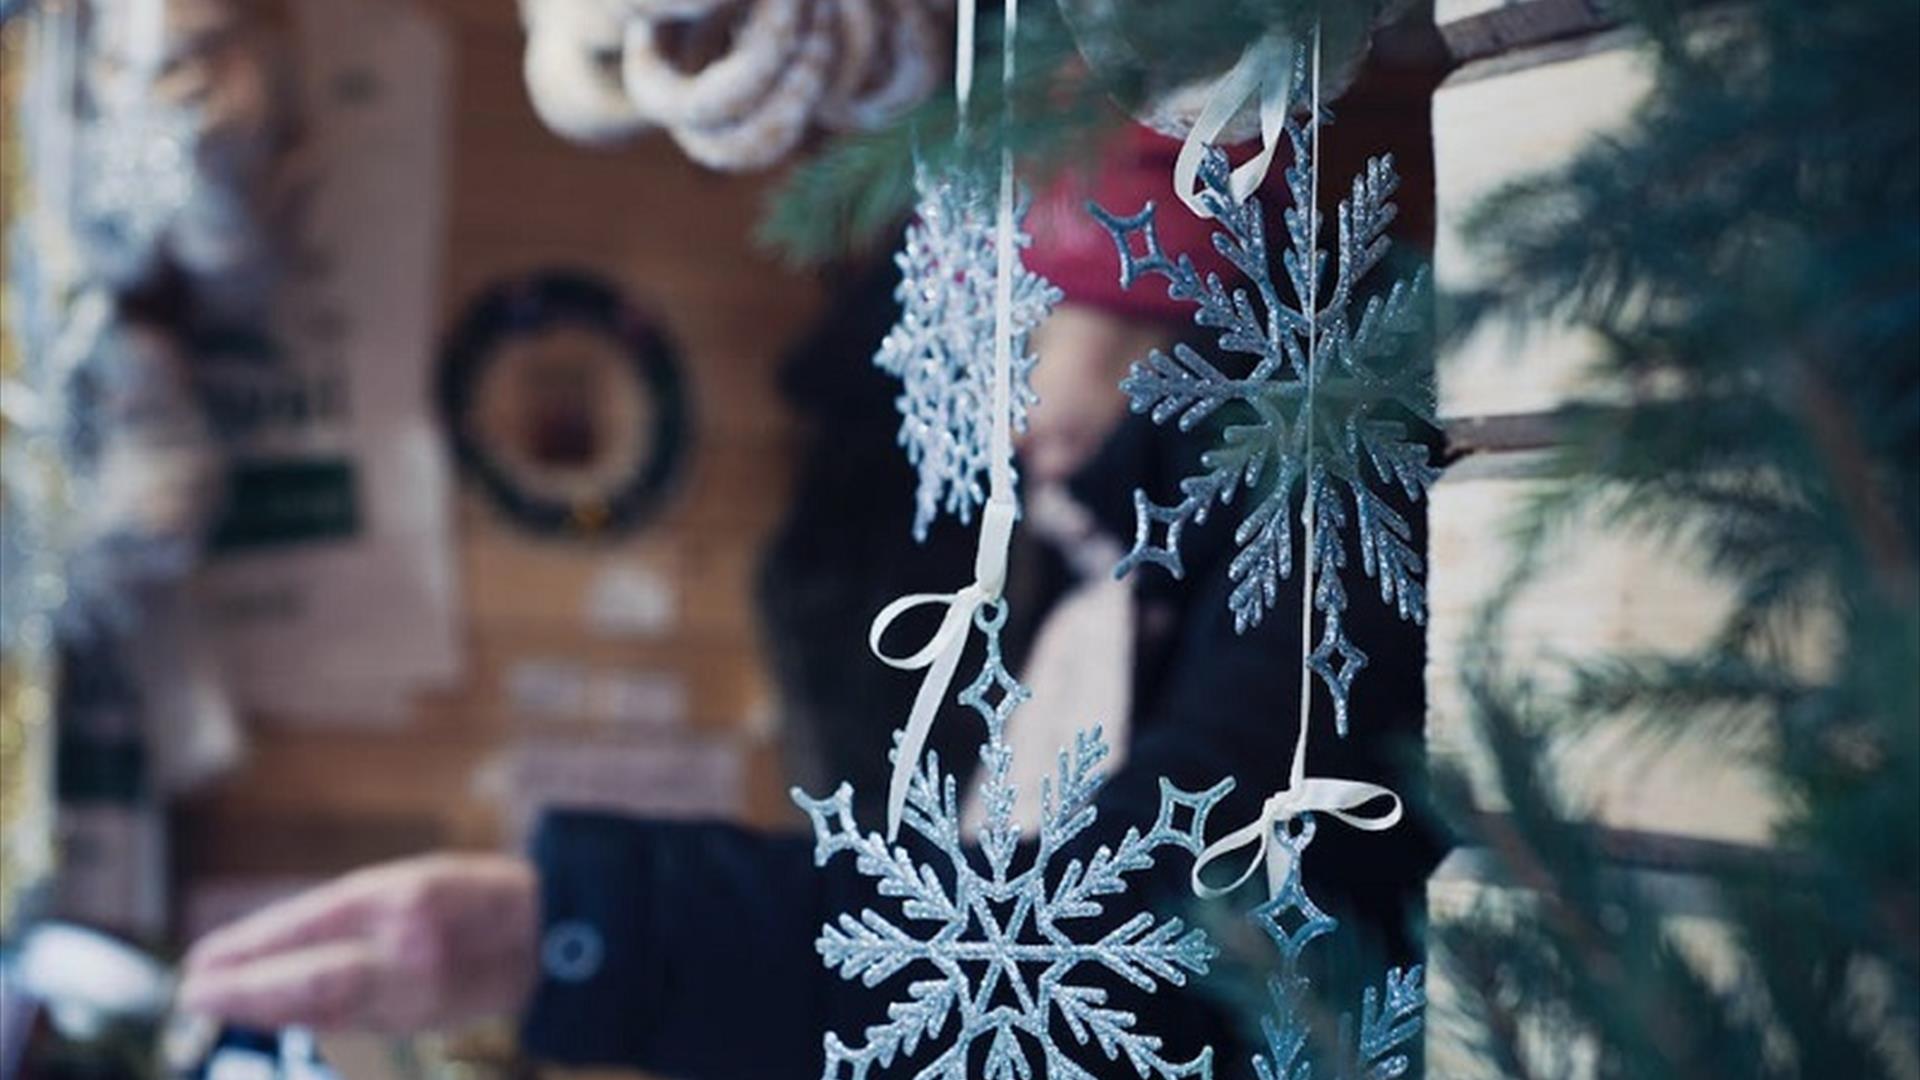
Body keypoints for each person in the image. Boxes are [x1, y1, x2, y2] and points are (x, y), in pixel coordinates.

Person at [178, 123, 1440, 1078]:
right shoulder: (1131, 574)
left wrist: (593, 929)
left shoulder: (1323, 537)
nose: (1005, 422)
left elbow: (1149, 925)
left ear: (1153, 317)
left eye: (1029, 349)